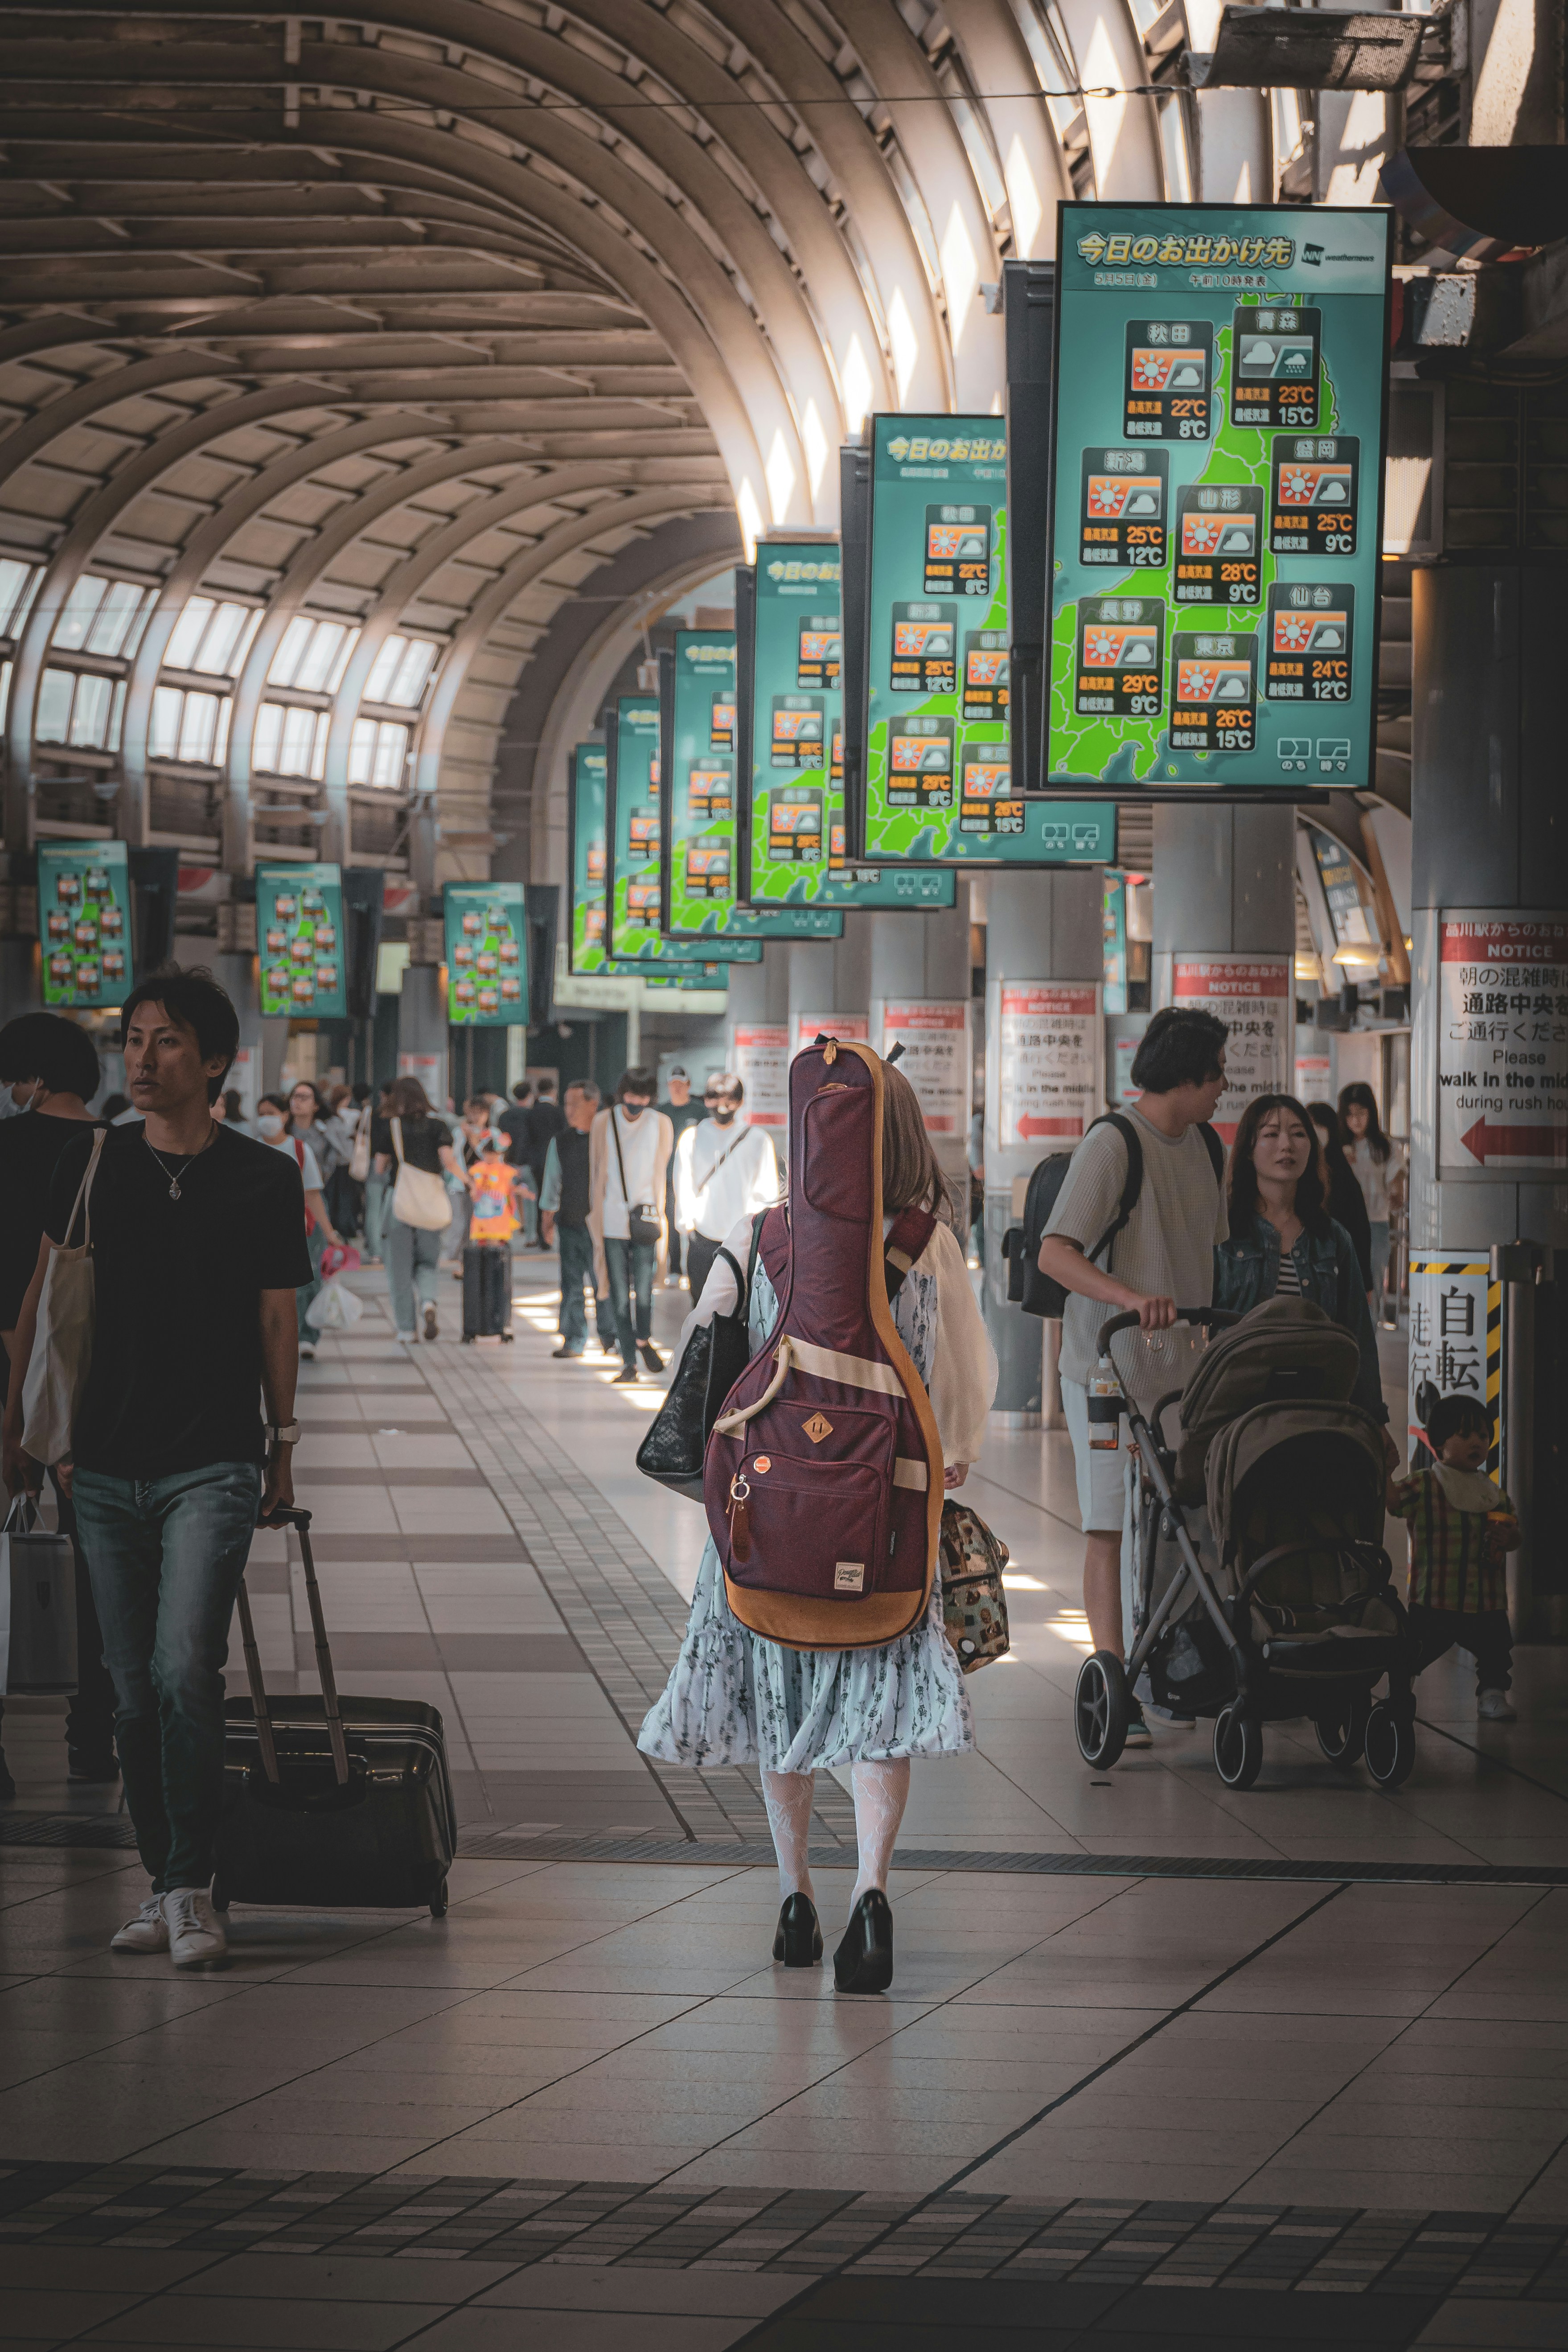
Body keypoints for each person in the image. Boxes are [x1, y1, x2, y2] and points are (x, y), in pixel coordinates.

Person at [639, 1063, 997, 1992]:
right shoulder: (930, 1245)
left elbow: (701, 1357)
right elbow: (961, 1386)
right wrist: (948, 1453)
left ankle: (794, 1899)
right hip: (884, 1525)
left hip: (769, 1523)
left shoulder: (758, 1236)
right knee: (875, 1707)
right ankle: (870, 1897)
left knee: (777, 1693)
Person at [2, 964, 311, 1969]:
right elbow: (43, 1306)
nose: (141, 1057)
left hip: (212, 1461)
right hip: (100, 1464)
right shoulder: (92, 1163)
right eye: (133, 1038)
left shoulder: (264, 1176)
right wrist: (29, 1436)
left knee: (186, 1668)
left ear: (216, 1062)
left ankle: (190, 1884)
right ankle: (166, 1874)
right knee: (132, 1690)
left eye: (167, 1040)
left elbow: (277, 1312)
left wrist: (283, 1445)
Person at [1035, 1006, 1231, 1752]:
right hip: (1106, 1376)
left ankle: (1168, 1663)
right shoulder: (1112, 1143)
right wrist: (1127, 1297)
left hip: (1181, 1377)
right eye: (1215, 1073)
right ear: (1184, 1075)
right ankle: (1116, 1679)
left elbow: (1201, 1251)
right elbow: (1057, 1254)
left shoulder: (1205, 1146)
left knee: (1176, 1523)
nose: (1222, 1087)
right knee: (1109, 1525)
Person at [0, 1012, 116, 1794]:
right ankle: (92, 1732)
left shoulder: (5, 1147)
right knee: (95, 1558)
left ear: (30, 1078)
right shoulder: (117, 1152)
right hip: (85, 1378)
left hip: (4, 1369)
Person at [1212, 1094, 1388, 1427]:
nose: (1287, 1145)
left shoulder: (1332, 1238)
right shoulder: (1223, 1233)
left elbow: (1359, 1337)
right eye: (1271, 1134)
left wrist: (1374, 1420)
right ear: (1249, 1148)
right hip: (1236, 1411)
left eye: (1298, 1133)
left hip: (1317, 1408)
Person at [1388, 1393, 1521, 1723]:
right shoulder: (1425, 1483)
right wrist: (1381, 1466)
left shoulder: (1492, 1492)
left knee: (1495, 1646)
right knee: (1417, 1646)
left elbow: (1514, 1531)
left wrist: (1511, 1538)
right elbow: (1394, 1503)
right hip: (1436, 1596)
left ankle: (1492, 1692)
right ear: (1440, 1442)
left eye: (1483, 1436)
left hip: (1486, 1599)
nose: (1477, 1442)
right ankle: (1401, 1685)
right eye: (1465, 1435)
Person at [588, 1067, 672, 1384]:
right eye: (631, 1093)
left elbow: (663, 1168)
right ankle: (629, 1363)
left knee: (646, 1292)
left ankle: (643, 1338)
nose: (636, 1100)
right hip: (611, 1221)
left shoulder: (660, 1123)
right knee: (619, 1295)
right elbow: (596, 1171)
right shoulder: (603, 1122)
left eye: (643, 1095)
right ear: (622, 1092)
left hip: (646, 1219)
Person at [673, 1073, 779, 1301]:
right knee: (700, 1302)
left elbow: (767, 1190)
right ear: (705, 1100)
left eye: (729, 1100)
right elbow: (683, 1185)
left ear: (740, 1102)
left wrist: (757, 1231)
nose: (722, 1107)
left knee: (739, 1304)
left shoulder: (757, 1139)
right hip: (701, 1235)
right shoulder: (692, 1137)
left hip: (742, 1237)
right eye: (715, 1099)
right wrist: (687, 1225)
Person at [371, 1075, 460, 1343]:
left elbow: (379, 1168)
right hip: (430, 1203)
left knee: (399, 1271)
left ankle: (407, 1330)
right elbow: (448, 1160)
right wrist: (467, 1182)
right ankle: (429, 1302)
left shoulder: (392, 1127)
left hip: (399, 1204)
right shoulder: (439, 1127)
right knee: (428, 1263)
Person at [256, 1094, 342, 1359]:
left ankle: (306, 1336)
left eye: (271, 1113)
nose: (265, 1119)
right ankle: (268, 1334)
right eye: (261, 1113)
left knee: (305, 1281)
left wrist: (329, 1233)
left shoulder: (299, 1150)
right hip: (261, 1230)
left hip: (300, 1228)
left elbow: (313, 1194)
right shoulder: (251, 1149)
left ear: (284, 1116)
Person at [539, 1080, 616, 1359]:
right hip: (571, 1223)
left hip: (605, 1226)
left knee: (604, 1283)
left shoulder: (609, 1137)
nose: (568, 1110)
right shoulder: (560, 1141)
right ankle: (573, 1339)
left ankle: (611, 1338)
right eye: (567, 1103)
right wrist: (546, 1220)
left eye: (575, 1104)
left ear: (593, 1105)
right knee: (571, 1284)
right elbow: (552, 1183)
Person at [1338, 1082, 1406, 1306]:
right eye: (1350, 1114)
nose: (1356, 1120)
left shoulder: (1386, 1146)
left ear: (1372, 1113)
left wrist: (1397, 1195)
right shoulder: (1337, 1147)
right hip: (1341, 1224)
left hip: (1375, 1223)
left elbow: (1396, 1179)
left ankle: (1368, 1340)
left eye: (1361, 1113)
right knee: (1341, 1285)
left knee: (1372, 1287)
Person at [1305, 1099, 1373, 1296]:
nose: (1314, 1132)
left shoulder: (1342, 1176)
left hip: (1338, 1266)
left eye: (1319, 1126)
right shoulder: (1300, 1172)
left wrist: (1365, 1281)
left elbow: (1359, 1229)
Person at [657, 1067, 705, 1286]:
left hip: (696, 1178)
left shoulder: (700, 1111)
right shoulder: (661, 1112)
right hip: (667, 1177)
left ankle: (697, 1267)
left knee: (696, 1222)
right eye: (672, 1084)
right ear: (668, 1086)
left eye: (680, 1084)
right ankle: (675, 1267)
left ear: (688, 1085)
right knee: (672, 1221)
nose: (676, 1088)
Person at [521, 1076, 565, 1251]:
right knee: (555, 1198)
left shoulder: (531, 1113)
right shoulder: (559, 1112)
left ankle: (541, 1236)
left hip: (537, 1161)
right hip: (556, 1160)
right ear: (554, 1092)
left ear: (538, 1092)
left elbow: (527, 1139)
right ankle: (550, 1235)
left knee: (540, 1198)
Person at [362, 1081, 393, 1265]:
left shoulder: (373, 1114)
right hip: (395, 1165)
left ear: (382, 1095)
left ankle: (375, 1252)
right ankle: (388, 1247)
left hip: (374, 1162)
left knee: (373, 1209)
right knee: (390, 1208)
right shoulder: (399, 1116)